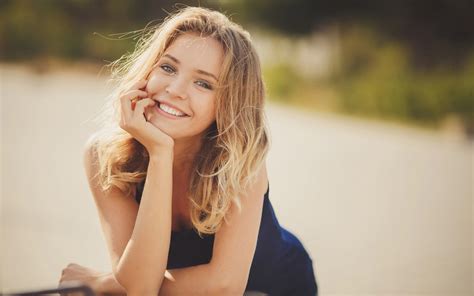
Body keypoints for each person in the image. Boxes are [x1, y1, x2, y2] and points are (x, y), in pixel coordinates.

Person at [59, 6, 318, 296]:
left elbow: (224, 286)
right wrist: (159, 153)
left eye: (203, 83)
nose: (175, 89)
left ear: (228, 104)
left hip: (272, 287)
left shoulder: (241, 160)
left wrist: (106, 283)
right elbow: (140, 287)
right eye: (168, 67)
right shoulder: (104, 156)